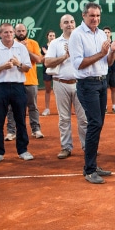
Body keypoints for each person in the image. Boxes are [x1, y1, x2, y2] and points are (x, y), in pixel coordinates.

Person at [68, 2, 115, 184]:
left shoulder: (101, 34)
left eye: (98, 16)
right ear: (84, 16)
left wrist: (112, 52)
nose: (95, 19)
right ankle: (89, 169)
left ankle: (93, 164)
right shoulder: (76, 35)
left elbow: (108, 63)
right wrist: (102, 53)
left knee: (98, 124)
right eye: (92, 16)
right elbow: (78, 63)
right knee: (94, 123)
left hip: (101, 84)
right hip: (87, 85)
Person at [0, 23, 34, 163]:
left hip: (18, 86)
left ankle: (23, 150)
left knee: (21, 120)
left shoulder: (21, 48)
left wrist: (18, 64)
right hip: (0, 87)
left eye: (11, 32)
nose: (9, 34)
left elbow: (27, 68)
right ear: (0, 34)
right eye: (5, 32)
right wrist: (3, 67)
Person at [44, 14, 88, 159]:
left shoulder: (82, 39)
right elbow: (47, 62)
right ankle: (66, 147)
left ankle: (87, 146)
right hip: (60, 83)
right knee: (64, 119)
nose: (69, 24)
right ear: (60, 25)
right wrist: (64, 56)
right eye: (66, 22)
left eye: (71, 22)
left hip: (79, 83)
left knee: (83, 118)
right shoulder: (55, 43)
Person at [5, 23, 44, 139]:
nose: (21, 33)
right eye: (18, 31)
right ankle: (11, 132)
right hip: (14, 81)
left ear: (26, 31)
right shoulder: (10, 45)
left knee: (33, 107)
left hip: (31, 81)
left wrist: (26, 49)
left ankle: (35, 129)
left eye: (23, 31)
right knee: (11, 108)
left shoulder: (33, 43)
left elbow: (39, 59)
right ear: (15, 32)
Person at [102, 26, 115, 113]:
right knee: (103, 89)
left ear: (111, 34)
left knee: (114, 88)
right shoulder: (101, 44)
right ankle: (104, 107)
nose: (106, 34)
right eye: (105, 32)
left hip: (113, 70)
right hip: (103, 70)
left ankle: (114, 107)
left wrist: (111, 52)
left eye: (108, 32)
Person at [41, 30, 56, 116]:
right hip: (47, 71)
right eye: (50, 35)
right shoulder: (43, 47)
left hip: (57, 71)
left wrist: (47, 54)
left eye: (53, 35)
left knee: (59, 90)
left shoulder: (57, 45)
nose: (52, 37)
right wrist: (46, 54)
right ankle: (47, 109)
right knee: (48, 90)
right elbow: (42, 59)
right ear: (47, 37)